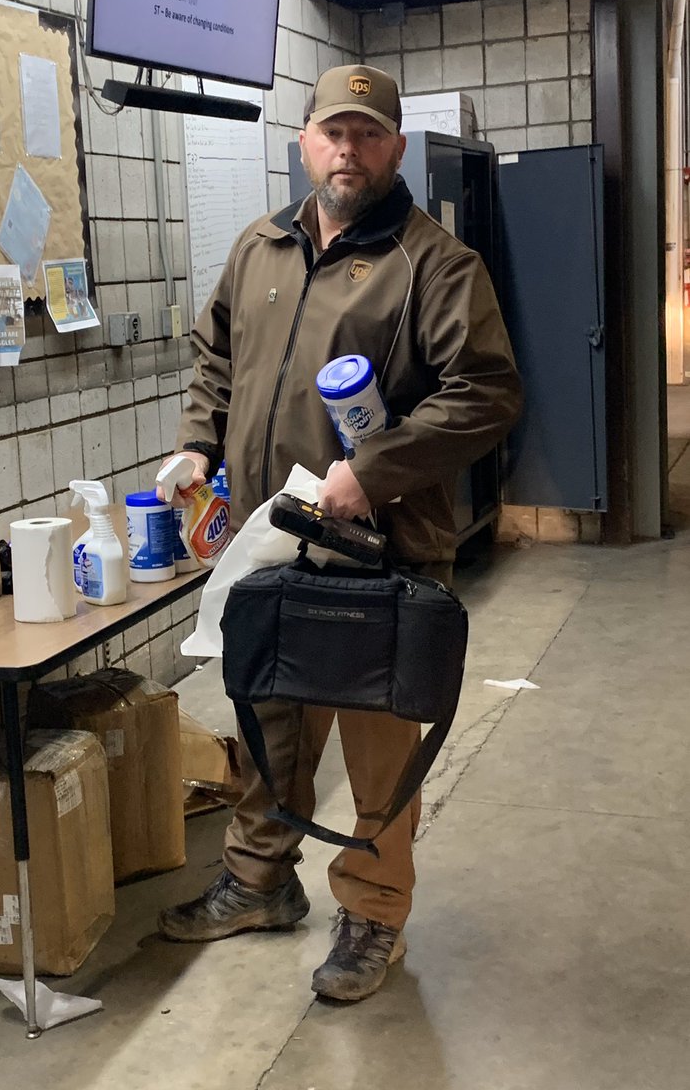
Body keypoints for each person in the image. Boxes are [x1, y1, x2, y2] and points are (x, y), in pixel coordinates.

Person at [156, 64, 523, 1002]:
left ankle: (373, 913)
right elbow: (215, 357)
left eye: (367, 134)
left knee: (378, 744)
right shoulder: (260, 246)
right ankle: (258, 882)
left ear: (395, 146)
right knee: (268, 719)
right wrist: (199, 442)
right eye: (333, 132)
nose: (347, 150)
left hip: (381, 551)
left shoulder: (435, 262)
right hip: (272, 538)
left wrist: (374, 471)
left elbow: (486, 394)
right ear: (305, 141)